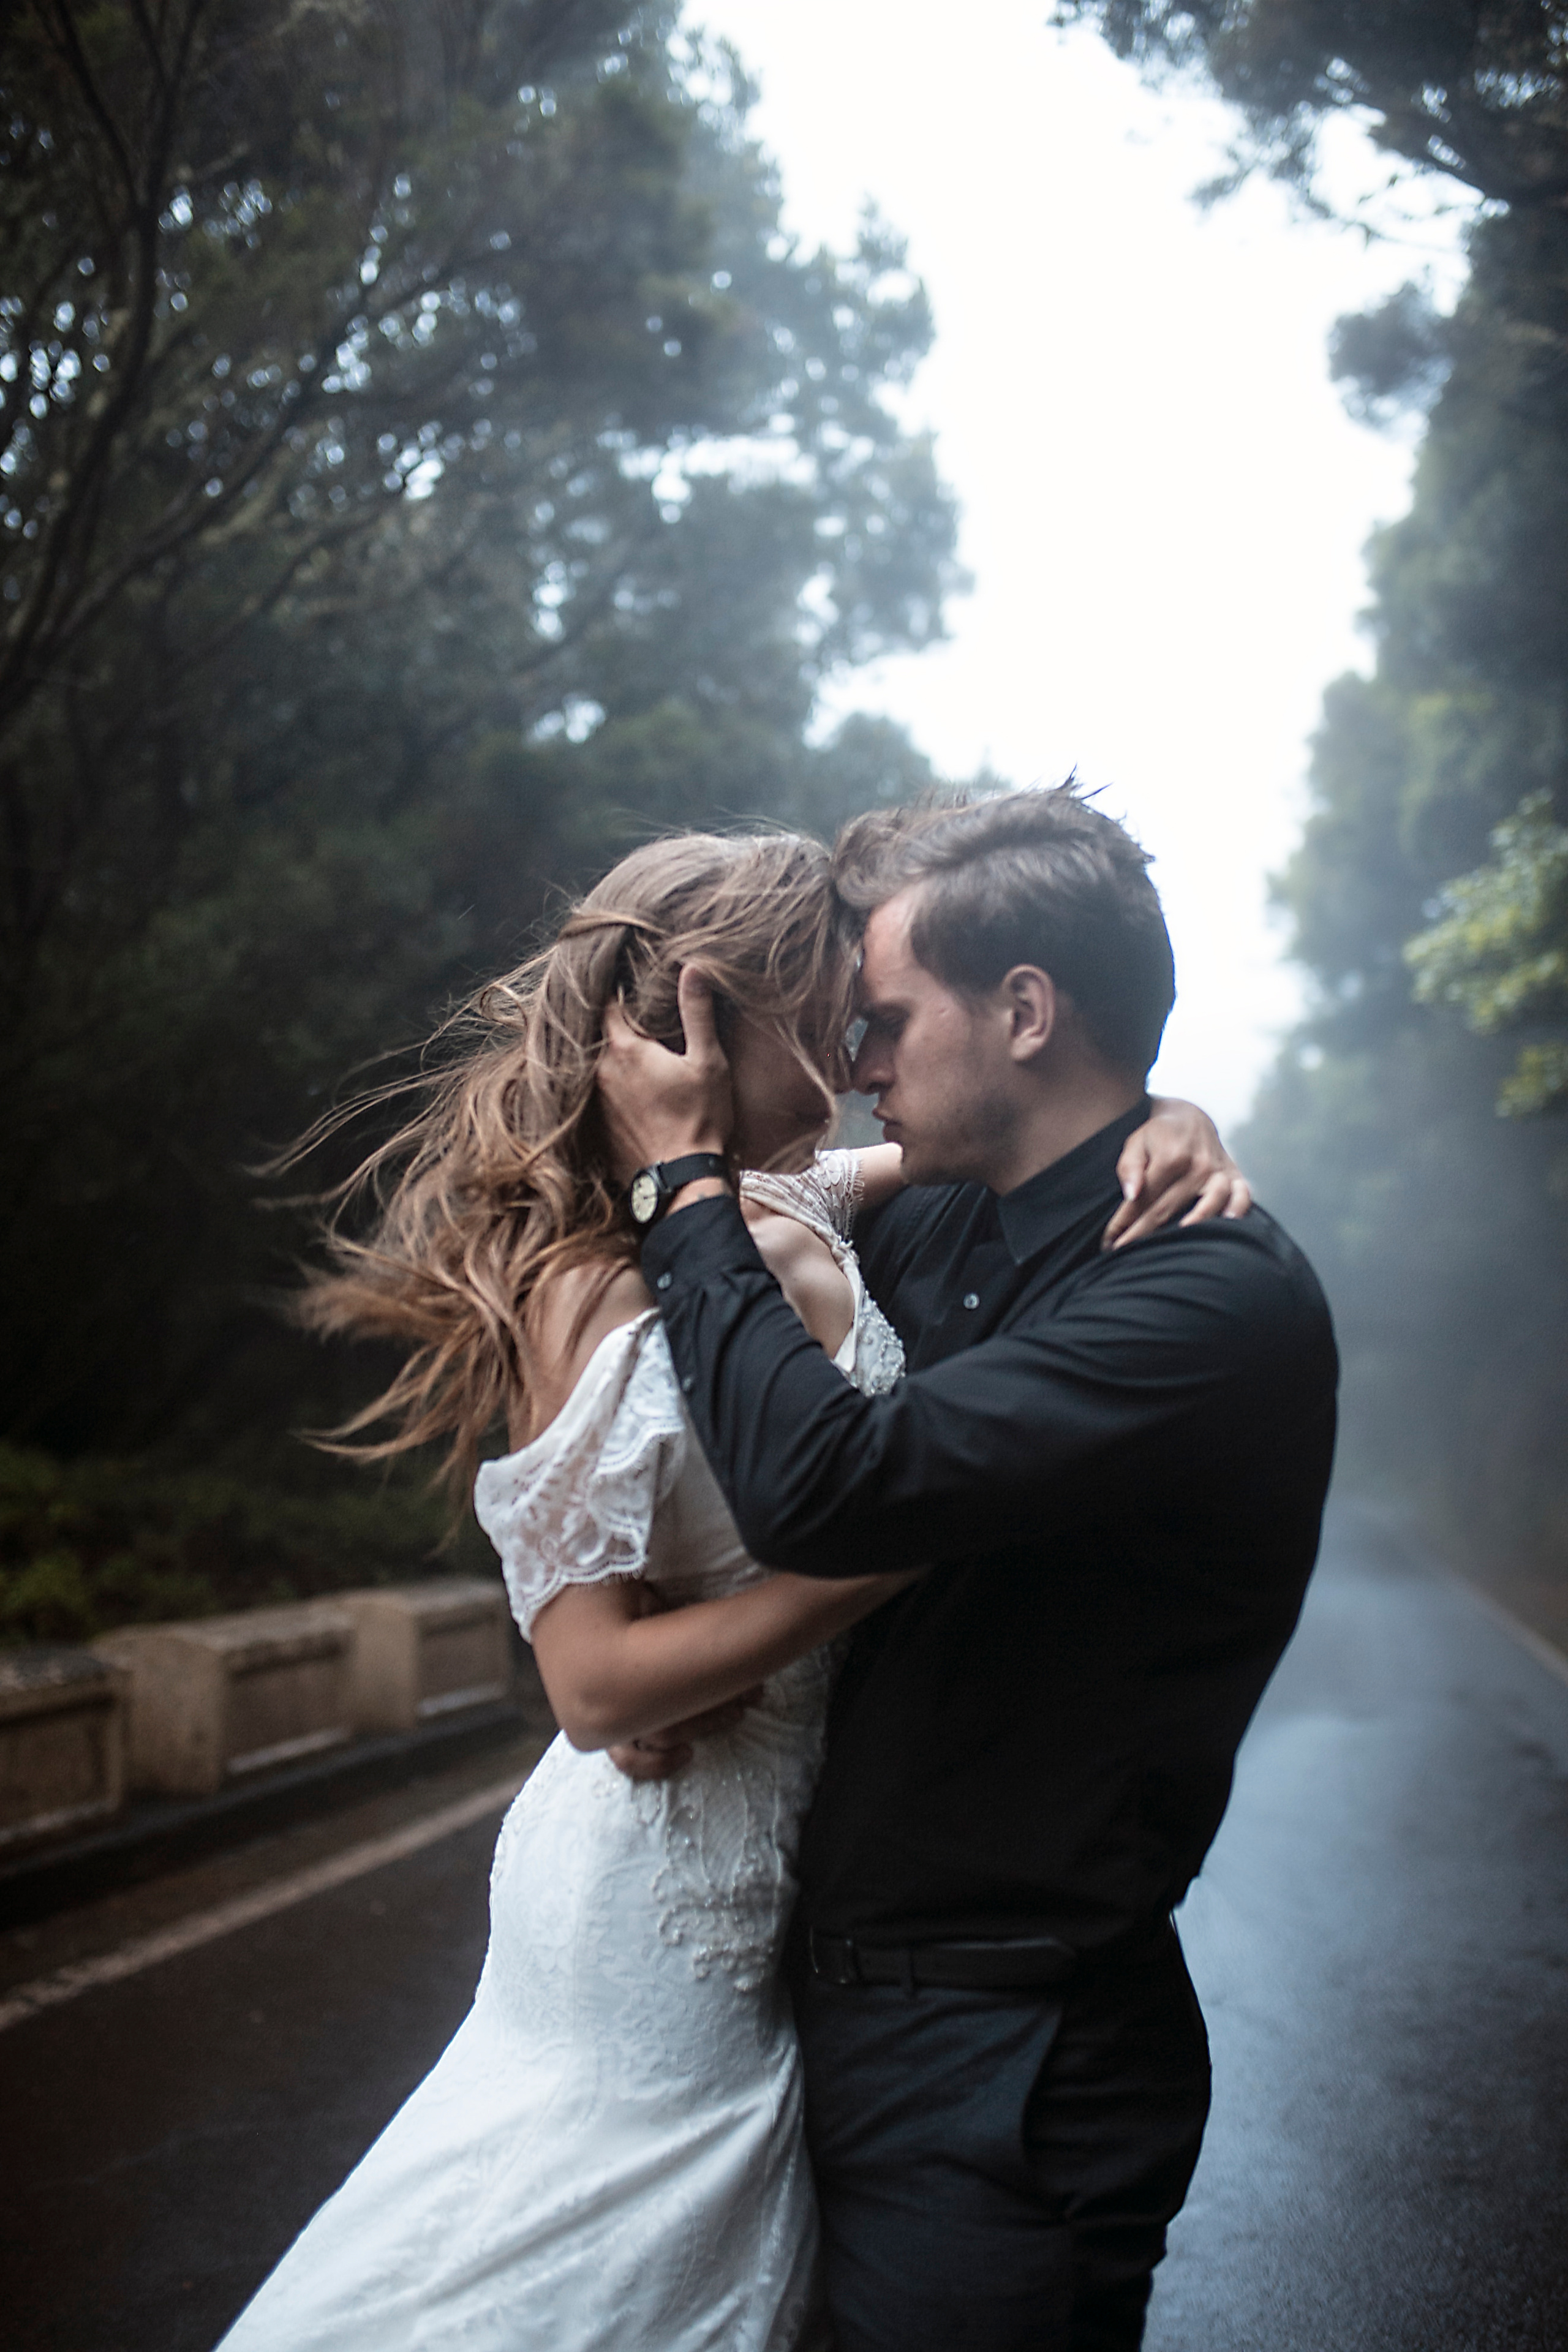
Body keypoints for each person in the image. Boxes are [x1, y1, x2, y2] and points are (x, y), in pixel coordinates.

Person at [216, 827, 1243, 2352]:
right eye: (830, 1001)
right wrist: (894, 1552)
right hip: (655, 1894)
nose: (858, 1036)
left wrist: (1176, 1116)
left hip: (792, 1875)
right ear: (704, 1018)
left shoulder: (804, 1199)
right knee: (581, 2256)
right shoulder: (589, 1281)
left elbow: (1039, 1124)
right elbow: (590, 1687)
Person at [597, 787, 1339, 2352]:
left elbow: (823, 1484)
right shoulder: (934, 1223)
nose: (856, 1063)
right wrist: (635, 1618)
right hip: (796, 2015)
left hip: (1009, 2059)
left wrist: (682, 1180)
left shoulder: (1207, 1297)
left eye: (882, 1022)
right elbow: (686, 1380)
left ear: (1023, 1010)